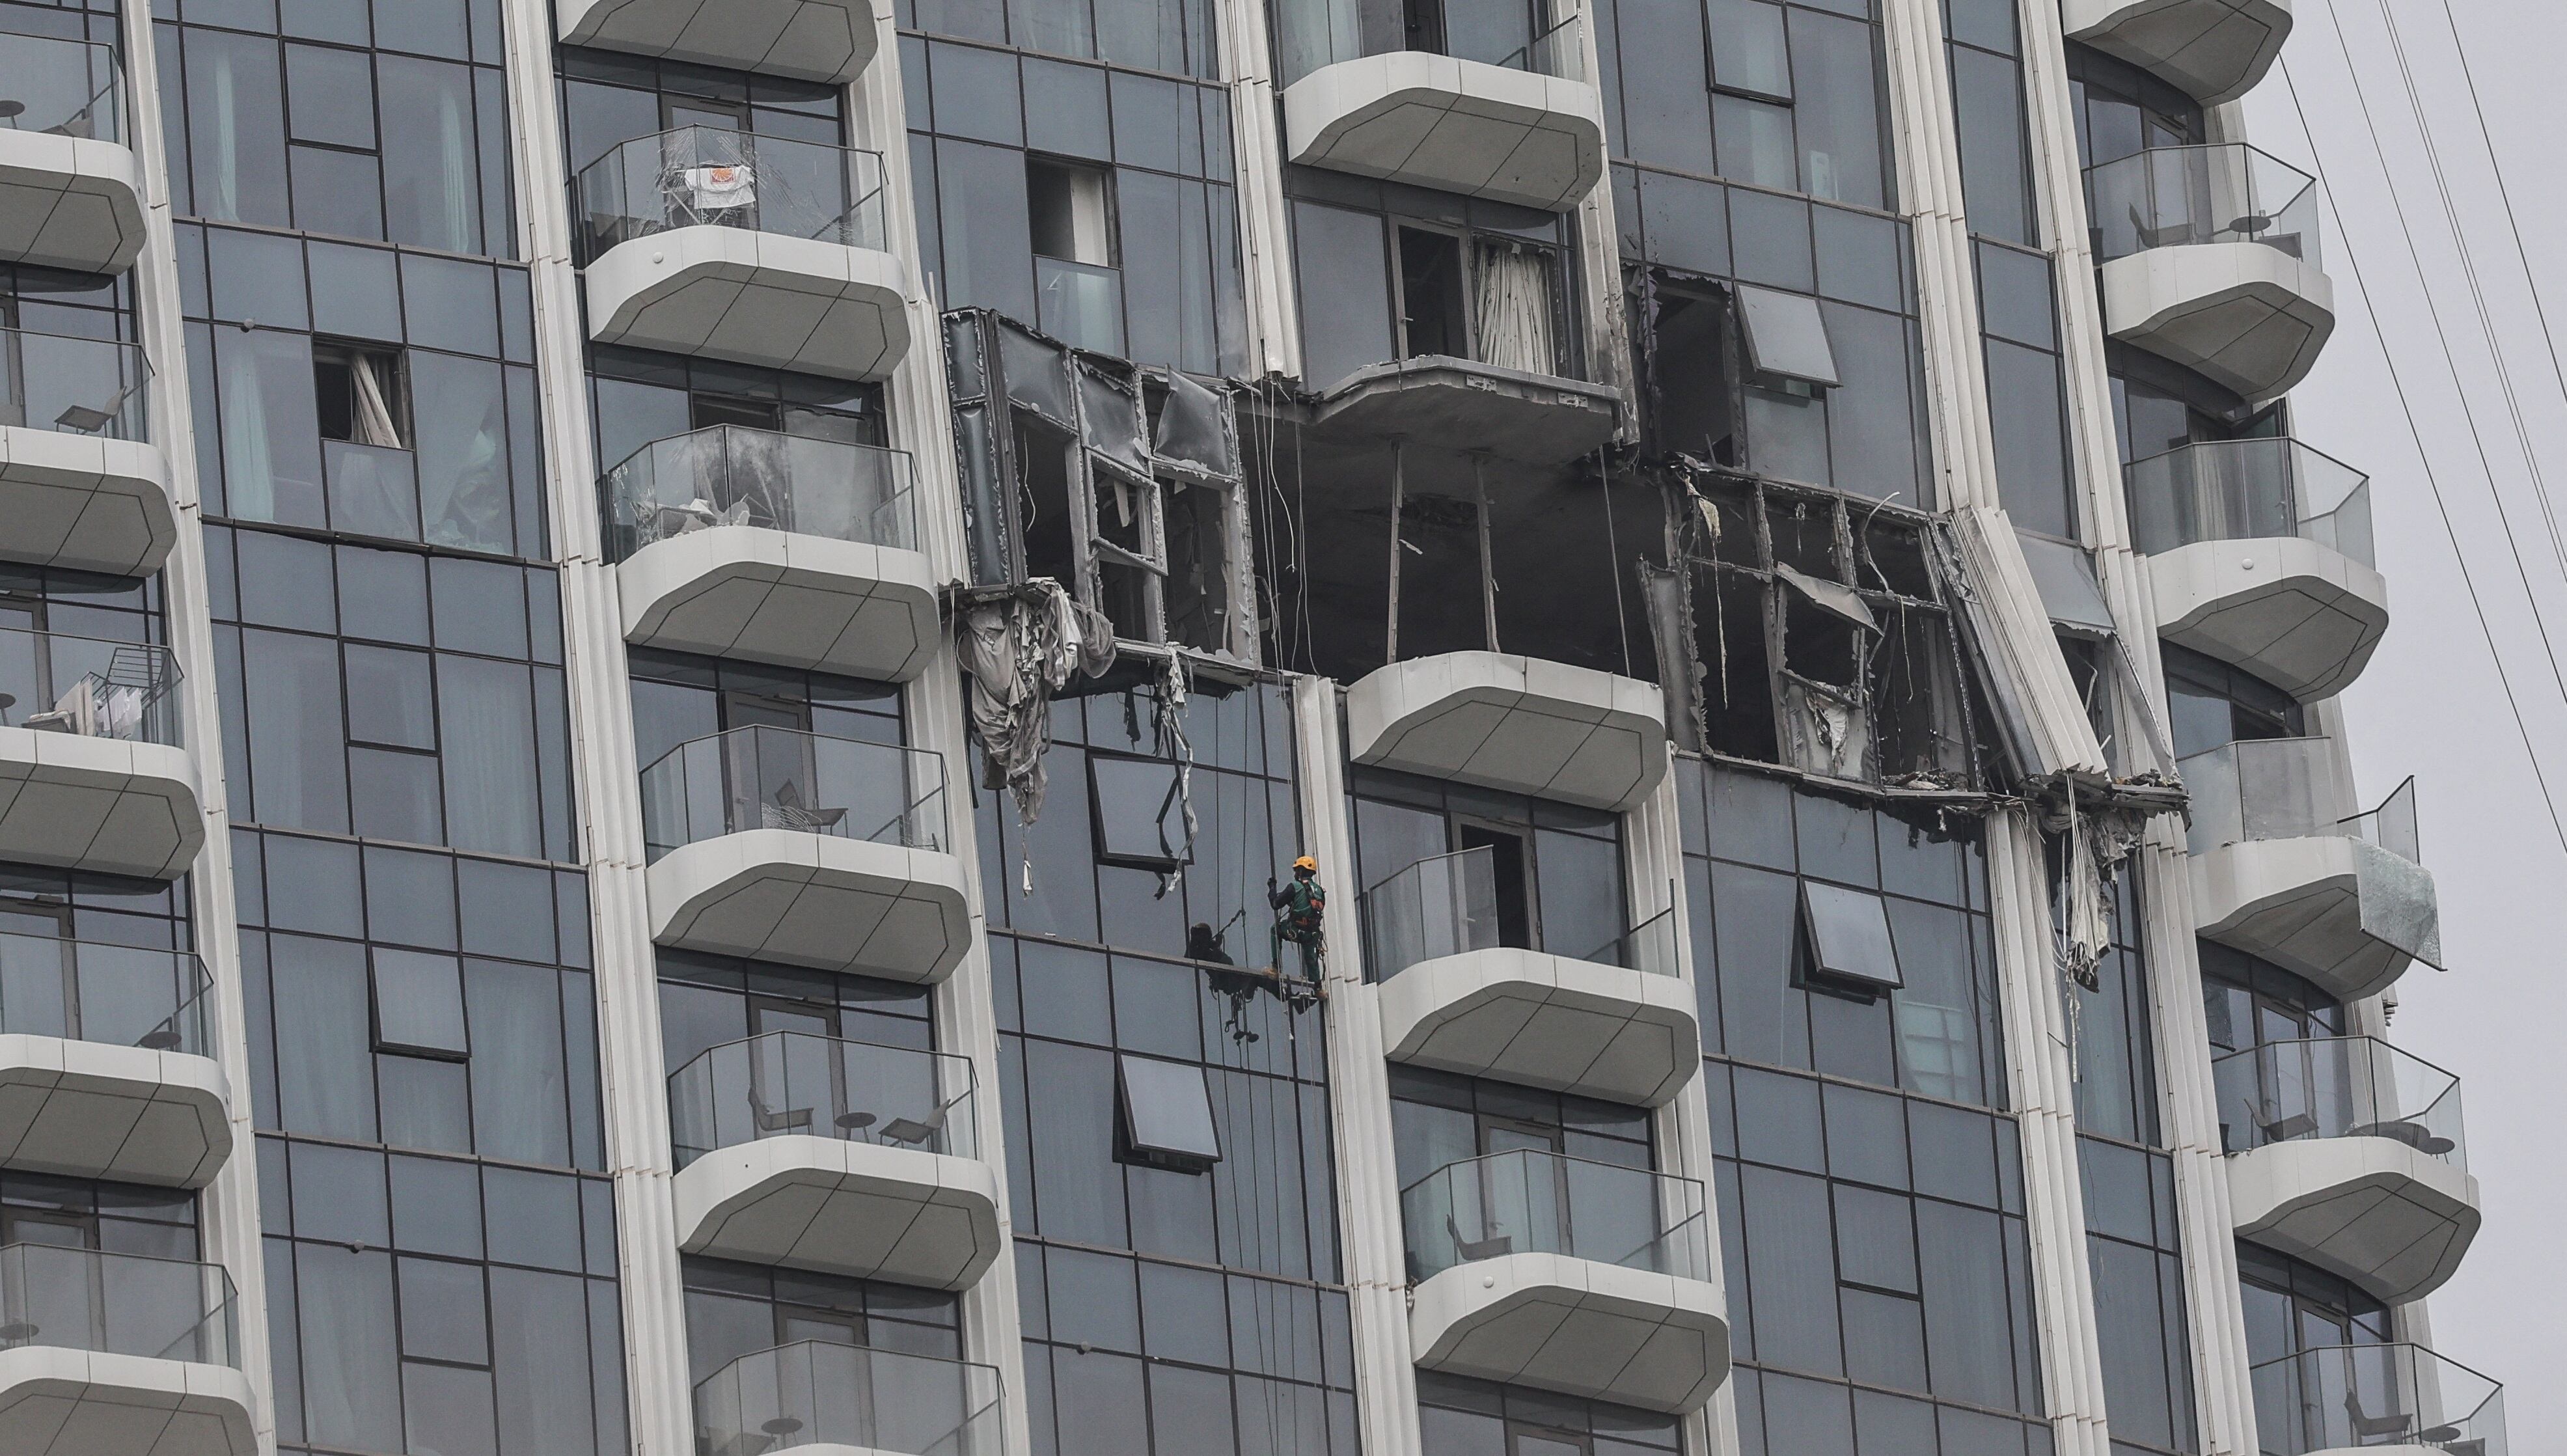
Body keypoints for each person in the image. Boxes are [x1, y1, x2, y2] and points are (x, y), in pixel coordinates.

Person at [1268, 855, 1325, 983]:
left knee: (1275, 930)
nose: (1295, 873)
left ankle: (1275, 968)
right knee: (1311, 957)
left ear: (1301, 871)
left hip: (1296, 929)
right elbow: (1307, 907)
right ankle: (1317, 988)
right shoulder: (1320, 891)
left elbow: (1276, 904)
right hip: (1312, 933)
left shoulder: (1295, 887)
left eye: (1296, 870)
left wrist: (1272, 889)